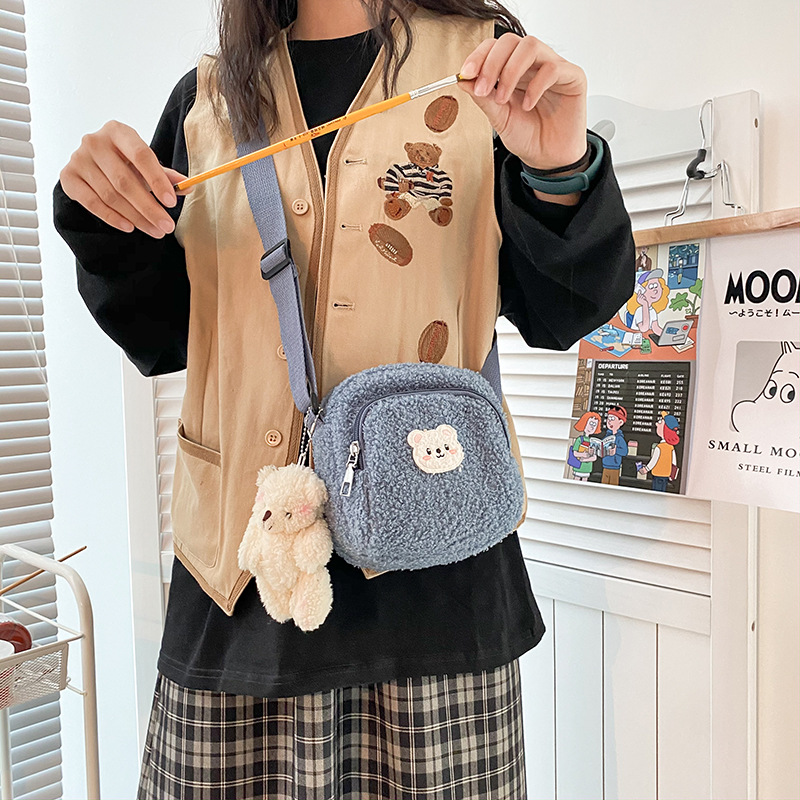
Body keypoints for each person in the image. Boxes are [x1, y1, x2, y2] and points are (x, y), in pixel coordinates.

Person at [53, 1, 635, 797]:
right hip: (240, 591)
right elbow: (161, 335)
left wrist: (561, 168)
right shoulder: (205, 101)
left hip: (434, 596)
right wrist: (100, 212)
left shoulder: (484, 70)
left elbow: (566, 309)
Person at [638, 412, 680, 491]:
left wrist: (646, 469)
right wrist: (672, 476)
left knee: (656, 492)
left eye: (660, 422)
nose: (657, 424)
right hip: (666, 476)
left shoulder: (659, 448)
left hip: (657, 475)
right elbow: (674, 463)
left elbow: (654, 461)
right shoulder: (671, 448)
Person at [601, 405, 628, 485]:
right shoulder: (606, 437)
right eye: (608, 418)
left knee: (613, 484)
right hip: (605, 466)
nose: (609, 421)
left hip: (614, 467)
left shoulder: (619, 438)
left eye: (612, 419)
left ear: (620, 422)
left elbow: (625, 451)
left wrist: (616, 451)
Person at [570, 411, 601, 481]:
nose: (592, 427)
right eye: (591, 423)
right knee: (576, 480)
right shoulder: (579, 439)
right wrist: (583, 454)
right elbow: (575, 453)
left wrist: (586, 459)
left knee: (584, 481)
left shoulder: (593, 441)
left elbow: (594, 457)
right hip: (578, 467)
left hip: (587, 468)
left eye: (594, 425)